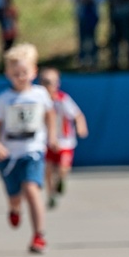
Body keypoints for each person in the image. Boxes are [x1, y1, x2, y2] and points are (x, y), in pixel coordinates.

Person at [0, 43, 57, 253]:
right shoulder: (4, 99)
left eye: (24, 72)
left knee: (32, 189)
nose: (21, 77)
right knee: (15, 196)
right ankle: (14, 208)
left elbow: (50, 114)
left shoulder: (40, 94)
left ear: (34, 72)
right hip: (10, 155)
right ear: (7, 74)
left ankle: (39, 235)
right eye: (15, 73)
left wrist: (52, 135)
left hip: (33, 150)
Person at [39, 67, 88, 209]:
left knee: (63, 167)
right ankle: (51, 195)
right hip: (46, 141)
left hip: (65, 141)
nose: (50, 85)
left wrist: (81, 127)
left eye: (53, 82)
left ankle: (61, 180)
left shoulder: (63, 99)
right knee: (47, 169)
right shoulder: (37, 99)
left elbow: (77, 115)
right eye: (46, 82)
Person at [72, 0, 107, 71]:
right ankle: (82, 62)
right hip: (82, 13)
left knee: (92, 38)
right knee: (82, 38)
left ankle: (94, 62)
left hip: (92, 12)